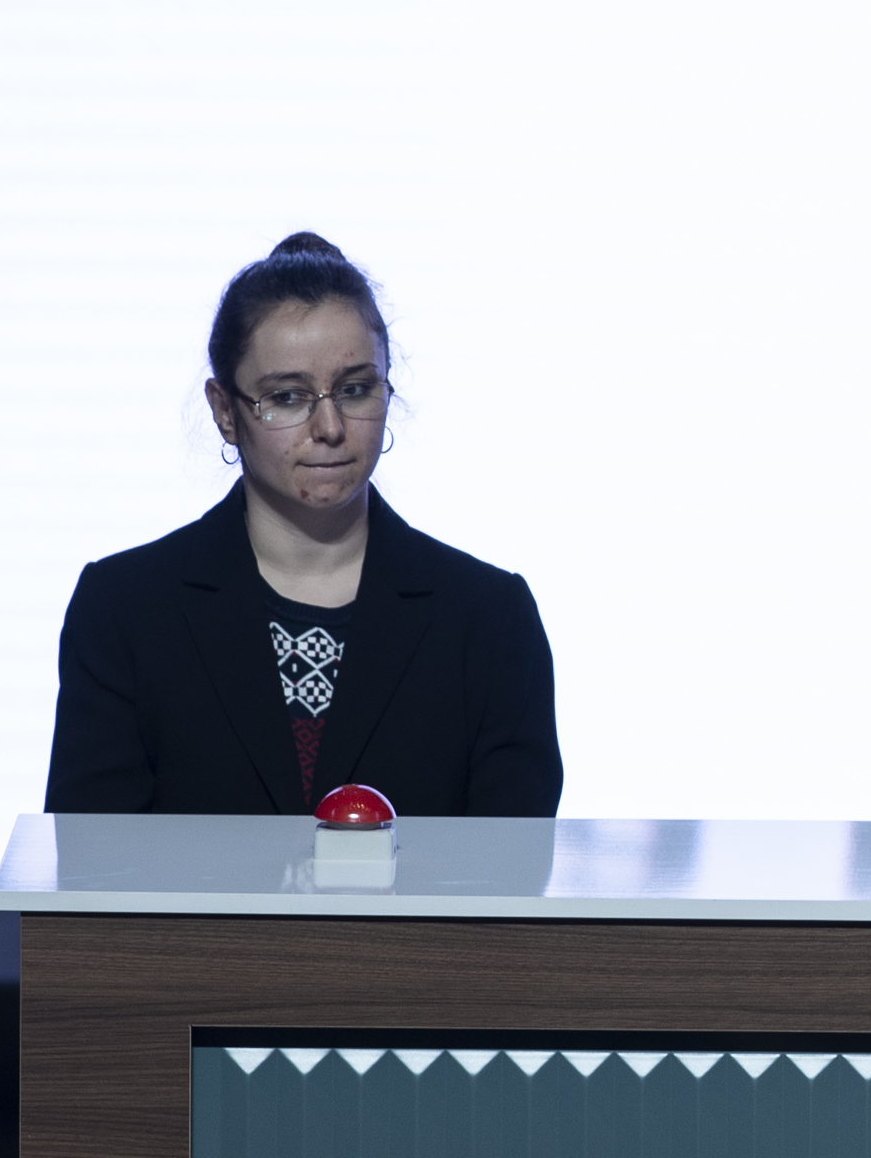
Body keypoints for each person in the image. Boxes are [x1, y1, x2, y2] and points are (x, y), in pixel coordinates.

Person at [43, 233, 563, 817]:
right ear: (225, 411)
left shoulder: (489, 620)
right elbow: (90, 860)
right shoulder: (125, 611)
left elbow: (511, 864)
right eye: (288, 397)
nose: (330, 428)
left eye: (355, 390)